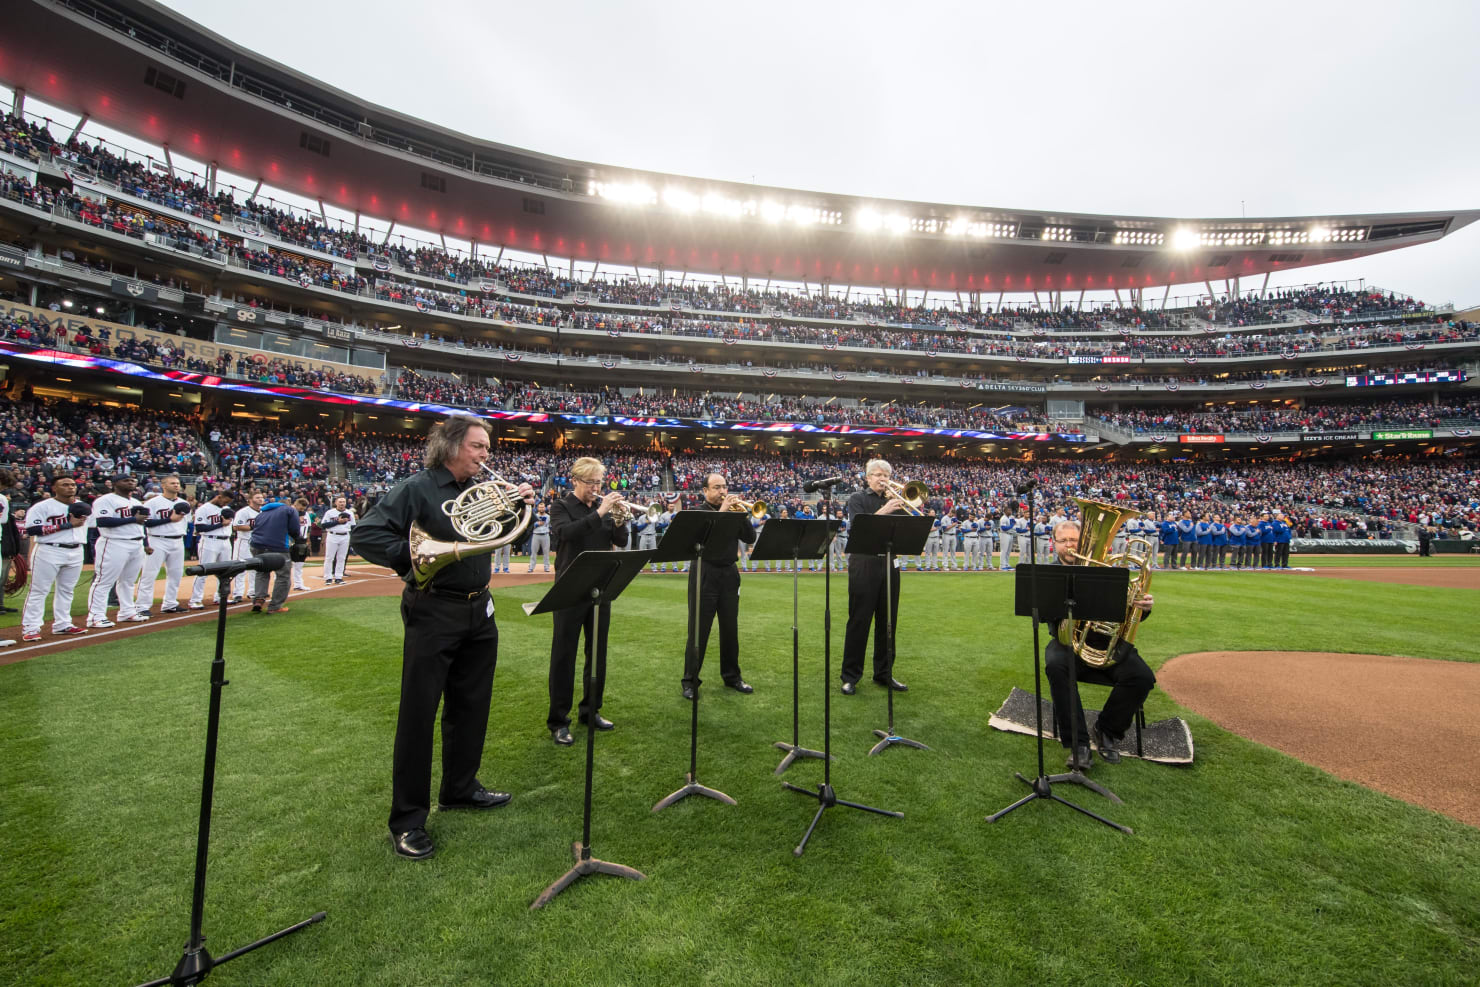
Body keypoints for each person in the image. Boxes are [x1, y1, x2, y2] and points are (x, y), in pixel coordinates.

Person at [349, 415, 535, 860]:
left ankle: (460, 788)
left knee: (471, 706)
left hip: (479, 608)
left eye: (487, 448)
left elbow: (502, 536)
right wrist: (415, 560)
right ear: (452, 446)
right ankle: (408, 820)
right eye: (478, 447)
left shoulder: (484, 492)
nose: (486, 455)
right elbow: (367, 534)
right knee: (419, 713)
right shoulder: (417, 488)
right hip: (434, 608)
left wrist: (520, 507)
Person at [1044, 520, 1157, 771]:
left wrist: (1143, 607)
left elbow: (1128, 612)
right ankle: (1078, 745)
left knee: (1142, 677)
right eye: (1064, 541)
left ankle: (1107, 730)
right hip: (1067, 643)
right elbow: (1040, 614)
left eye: (1074, 540)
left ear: (1083, 542)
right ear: (1055, 544)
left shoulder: (1107, 570)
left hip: (1108, 644)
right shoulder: (1048, 573)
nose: (1069, 545)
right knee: (1055, 666)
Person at [545, 457, 629, 745]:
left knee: (597, 655)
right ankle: (558, 720)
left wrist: (618, 519)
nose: (596, 488)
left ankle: (590, 710)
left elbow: (621, 541)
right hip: (569, 591)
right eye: (591, 482)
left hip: (600, 589)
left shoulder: (604, 510)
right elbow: (566, 534)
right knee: (563, 657)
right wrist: (601, 511)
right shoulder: (561, 506)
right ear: (576, 481)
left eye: (599, 482)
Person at [680, 472, 758, 700]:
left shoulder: (734, 513)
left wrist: (742, 515)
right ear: (705, 491)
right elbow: (703, 540)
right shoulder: (697, 512)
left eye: (724, 486)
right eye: (716, 487)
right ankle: (690, 681)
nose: (722, 491)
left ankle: (732, 676)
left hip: (729, 573)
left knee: (730, 629)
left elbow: (750, 537)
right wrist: (723, 511)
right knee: (699, 630)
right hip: (705, 572)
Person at [841, 459, 908, 695]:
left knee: (888, 622)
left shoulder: (897, 500)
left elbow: (908, 532)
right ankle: (850, 676)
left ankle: (884, 673)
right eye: (877, 474)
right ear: (868, 478)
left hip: (890, 562)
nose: (883, 478)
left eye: (886, 475)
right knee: (859, 620)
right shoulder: (857, 499)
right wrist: (885, 510)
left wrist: (902, 507)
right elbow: (859, 529)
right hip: (864, 562)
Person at [19, 474, 90, 641]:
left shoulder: (83, 507)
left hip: (76, 549)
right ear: (54, 488)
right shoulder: (42, 506)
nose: (70, 487)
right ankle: (31, 627)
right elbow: (32, 530)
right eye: (65, 484)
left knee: (67, 590)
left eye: (72, 484)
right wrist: (67, 524)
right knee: (39, 590)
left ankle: (63, 624)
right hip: (49, 549)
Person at [86, 475, 151, 628]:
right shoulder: (105, 500)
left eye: (132, 481)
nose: (130, 483)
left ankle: (127, 612)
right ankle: (95, 616)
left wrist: (145, 543)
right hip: (114, 542)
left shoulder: (135, 501)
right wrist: (133, 519)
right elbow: (103, 521)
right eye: (126, 480)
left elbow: (141, 525)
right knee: (104, 581)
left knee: (128, 582)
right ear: (115, 484)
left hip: (135, 543)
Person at [138, 474, 190, 613]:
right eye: (172, 483)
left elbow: (186, 523)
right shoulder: (153, 503)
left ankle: (170, 604)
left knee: (176, 574)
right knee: (149, 574)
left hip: (178, 540)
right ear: (163, 485)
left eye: (177, 483)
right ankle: (142, 606)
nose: (176, 485)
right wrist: (168, 520)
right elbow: (145, 522)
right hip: (157, 539)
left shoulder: (184, 503)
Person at [249, 494, 302, 614]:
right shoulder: (289, 510)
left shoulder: (261, 513)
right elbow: (294, 529)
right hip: (277, 546)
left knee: (262, 572)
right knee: (283, 576)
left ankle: (259, 599)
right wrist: (298, 540)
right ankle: (275, 606)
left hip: (257, 545)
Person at [188, 490, 236, 609]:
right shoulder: (204, 509)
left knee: (225, 571)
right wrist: (221, 524)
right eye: (225, 501)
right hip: (209, 541)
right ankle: (195, 599)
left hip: (226, 541)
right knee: (203, 570)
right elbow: (199, 527)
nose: (225, 504)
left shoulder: (227, 509)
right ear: (219, 497)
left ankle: (220, 597)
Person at [229, 492, 264, 602]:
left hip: (257, 542)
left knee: (255, 568)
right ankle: (237, 593)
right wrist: (254, 527)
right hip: (244, 541)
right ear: (250, 499)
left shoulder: (263, 512)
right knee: (240, 567)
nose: (260, 499)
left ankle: (252, 591)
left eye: (262, 497)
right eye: (257, 497)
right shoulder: (243, 512)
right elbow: (236, 526)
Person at [321, 495, 354, 584]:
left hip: (345, 535)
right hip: (333, 535)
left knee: (341, 558)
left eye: (343, 502)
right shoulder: (330, 512)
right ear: (335, 503)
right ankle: (328, 577)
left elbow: (353, 525)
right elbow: (323, 525)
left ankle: (339, 577)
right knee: (329, 557)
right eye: (340, 502)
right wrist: (337, 522)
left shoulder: (350, 513)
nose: (342, 504)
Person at [291, 497, 313, 590]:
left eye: (304, 508)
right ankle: (283, 585)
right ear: (296, 505)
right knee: (287, 565)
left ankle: (298, 584)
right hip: (292, 541)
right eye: (300, 508)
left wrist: (307, 540)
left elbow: (308, 528)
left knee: (299, 564)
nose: (302, 510)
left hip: (302, 541)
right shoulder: (290, 513)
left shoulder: (306, 514)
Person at [527, 505, 552, 572]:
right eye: (540, 507)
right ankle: (531, 567)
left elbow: (550, 526)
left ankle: (546, 567)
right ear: (538, 508)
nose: (541, 508)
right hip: (536, 534)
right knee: (534, 552)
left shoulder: (548, 516)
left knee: (546, 552)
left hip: (545, 534)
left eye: (543, 507)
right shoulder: (534, 516)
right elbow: (530, 526)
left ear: (545, 508)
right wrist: (537, 524)